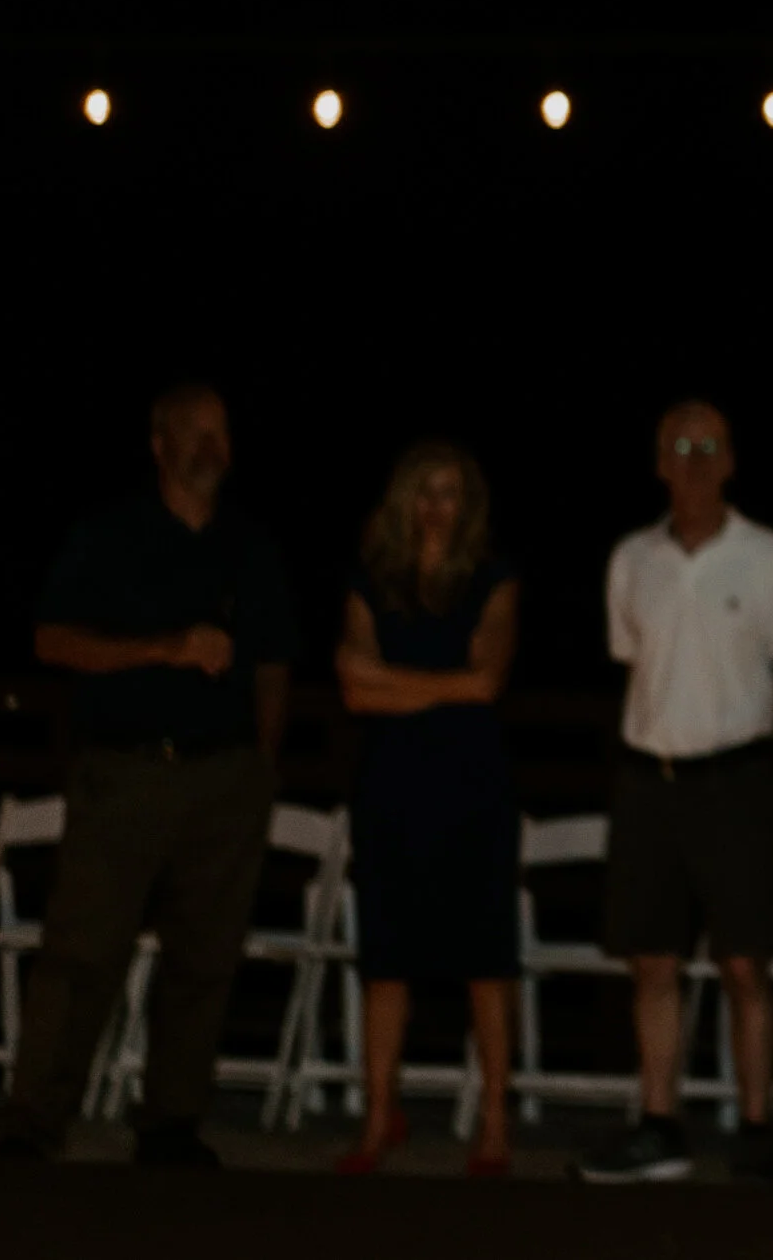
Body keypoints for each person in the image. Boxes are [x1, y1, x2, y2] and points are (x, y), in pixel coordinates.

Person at [0, 383, 295, 1166]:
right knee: (83, 950)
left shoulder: (250, 544)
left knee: (204, 956)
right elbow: (53, 640)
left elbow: (272, 664)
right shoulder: (110, 533)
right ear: (158, 444)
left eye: (220, 432)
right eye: (193, 432)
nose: (209, 444)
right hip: (126, 771)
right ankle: (33, 1118)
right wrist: (162, 648)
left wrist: (262, 763)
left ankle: (170, 1120)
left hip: (223, 779)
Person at [577, 400, 773, 1185]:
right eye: (679, 445)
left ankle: (755, 1125)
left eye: (710, 444)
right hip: (648, 778)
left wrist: (746, 744)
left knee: (746, 964)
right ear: (659, 463)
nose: (696, 458)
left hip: (734, 781)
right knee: (652, 959)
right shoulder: (631, 560)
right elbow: (628, 657)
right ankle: (659, 1121)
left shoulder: (772, 559)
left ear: (732, 458)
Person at [333, 441, 521, 1177]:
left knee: (484, 956)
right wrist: (439, 681)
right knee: (386, 957)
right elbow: (352, 685)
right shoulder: (368, 582)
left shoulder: (495, 580)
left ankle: (496, 1122)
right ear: (402, 501)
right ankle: (381, 1114)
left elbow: (486, 682)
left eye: (451, 492)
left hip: (472, 783)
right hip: (390, 782)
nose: (437, 505)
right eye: (425, 491)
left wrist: (394, 682)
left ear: (467, 505)